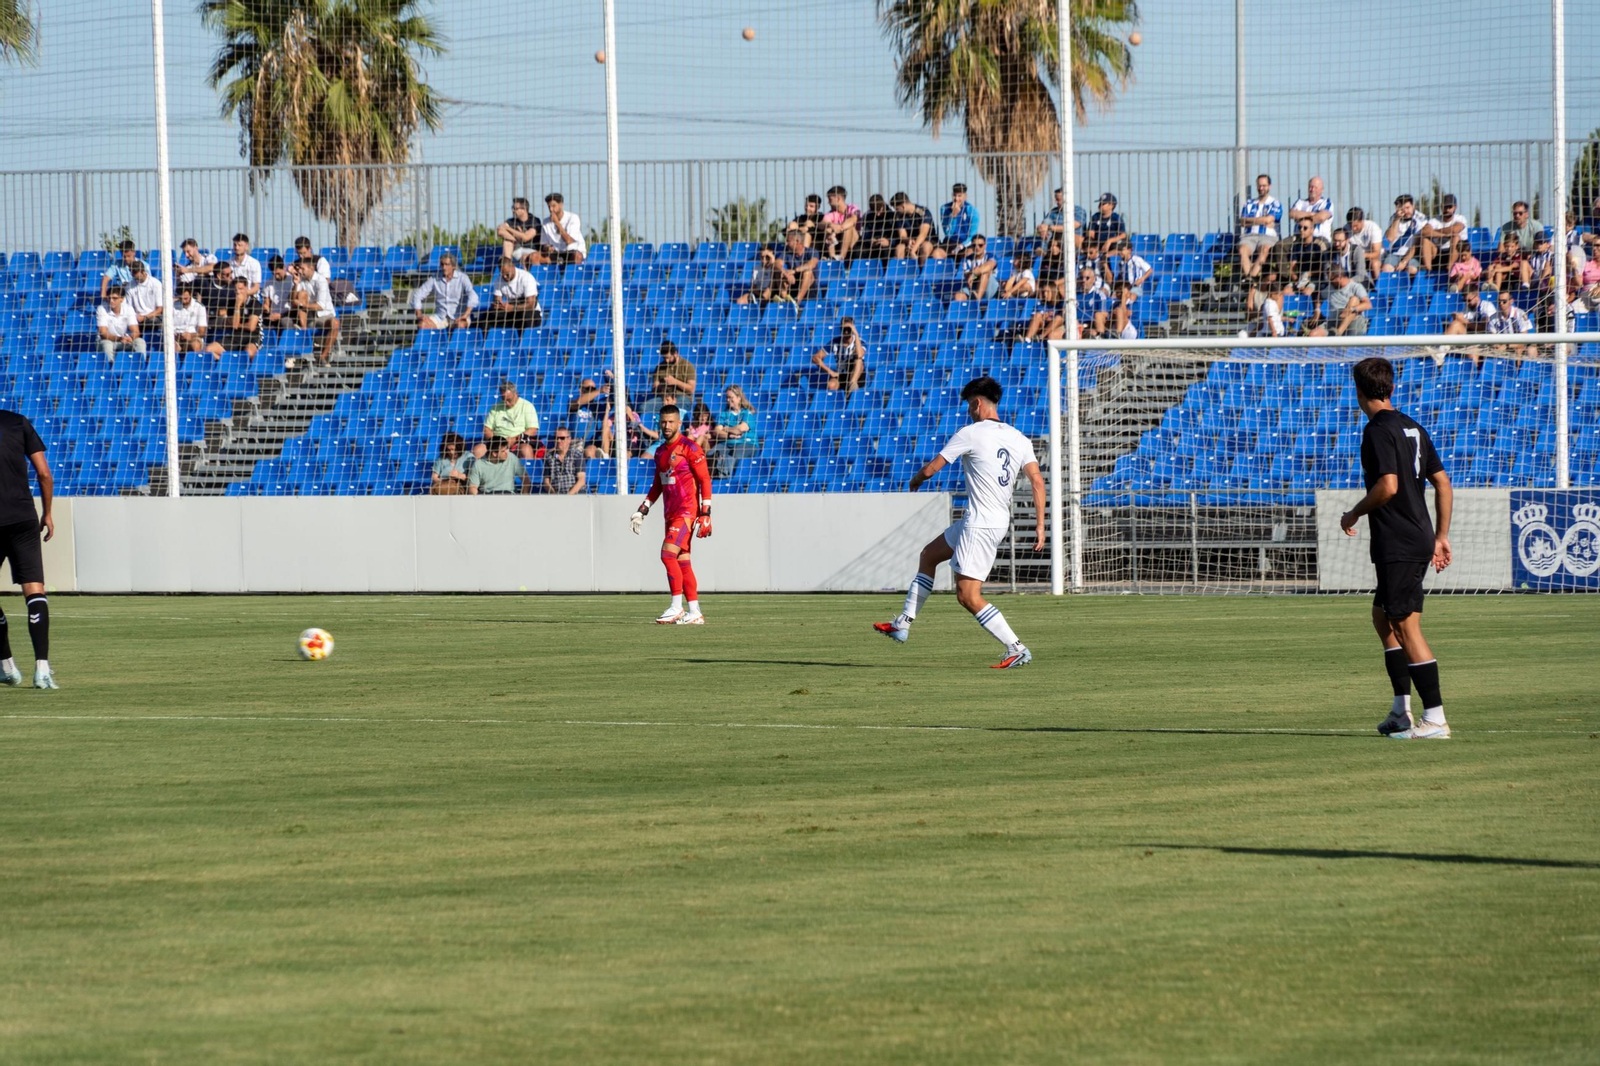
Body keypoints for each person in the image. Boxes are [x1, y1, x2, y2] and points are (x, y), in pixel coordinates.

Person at [874, 376, 1045, 669]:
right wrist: (1041, 525)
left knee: (967, 596)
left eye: (969, 405)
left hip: (980, 523)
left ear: (977, 403)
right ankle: (902, 623)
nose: (968, 410)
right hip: (988, 519)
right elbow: (1037, 481)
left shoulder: (971, 433)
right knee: (929, 555)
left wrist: (915, 479)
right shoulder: (1019, 438)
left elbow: (931, 469)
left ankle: (1015, 647)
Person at [1339, 356, 1453, 740]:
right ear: (1390, 388)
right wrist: (1440, 535)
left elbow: (1387, 486)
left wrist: (1353, 513)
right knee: (1382, 618)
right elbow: (1443, 483)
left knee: (1406, 625)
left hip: (1399, 540)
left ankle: (1434, 718)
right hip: (1416, 535)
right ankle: (1401, 710)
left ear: (1359, 392)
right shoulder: (1413, 426)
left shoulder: (1376, 430)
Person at [628, 404, 713, 625]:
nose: (666, 426)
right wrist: (643, 509)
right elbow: (658, 484)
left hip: (686, 512)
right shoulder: (660, 452)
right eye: (663, 422)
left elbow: (705, 480)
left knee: (667, 555)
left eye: (671, 422)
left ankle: (676, 607)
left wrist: (706, 513)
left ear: (679, 423)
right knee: (683, 561)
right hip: (670, 513)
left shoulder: (690, 448)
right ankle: (695, 612)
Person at [0, 407, 56, 688]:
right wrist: (47, 513)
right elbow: (44, 474)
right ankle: (42, 669)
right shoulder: (16, 421)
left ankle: (7, 666)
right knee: (35, 589)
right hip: (22, 517)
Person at [411, 252, 478, 330]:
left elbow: (473, 295)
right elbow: (417, 295)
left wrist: (465, 315)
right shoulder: (434, 278)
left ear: (453, 266)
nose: (444, 267)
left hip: (458, 316)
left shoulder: (463, 278)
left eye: (447, 264)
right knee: (422, 325)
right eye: (442, 264)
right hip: (440, 317)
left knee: (461, 325)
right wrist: (419, 315)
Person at [292, 256, 341, 362]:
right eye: (299, 268)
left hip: (324, 316)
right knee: (302, 294)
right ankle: (304, 331)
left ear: (311, 268)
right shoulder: (301, 281)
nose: (300, 271)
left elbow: (320, 306)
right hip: (309, 316)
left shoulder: (321, 280)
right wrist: (295, 285)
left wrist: (302, 305)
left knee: (335, 323)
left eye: (302, 268)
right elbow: (293, 300)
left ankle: (323, 356)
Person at [1237, 174, 1283, 283]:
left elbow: (1269, 220)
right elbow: (1242, 222)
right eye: (1259, 186)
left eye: (1264, 185)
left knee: (1265, 250)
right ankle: (1250, 279)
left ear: (1269, 186)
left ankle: (1250, 277)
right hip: (1249, 236)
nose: (1261, 188)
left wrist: (1251, 220)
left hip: (1268, 236)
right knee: (1242, 250)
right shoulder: (1249, 203)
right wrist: (1262, 220)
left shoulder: (1275, 203)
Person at [478, 380, 540, 460]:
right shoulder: (495, 408)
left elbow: (532, 430)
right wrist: (497, 442)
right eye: (504, 399)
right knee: (478, 450)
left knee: (526, 449)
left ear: (516, 394)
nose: (506, 403)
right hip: (497, 442)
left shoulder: (527, 406)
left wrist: (514, 439)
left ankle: (528, 471)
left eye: (509, 400)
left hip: (518, 443)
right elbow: (487, 429)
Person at [1306, 262, 1371, 337]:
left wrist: (1351, 309)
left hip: (1353, 321)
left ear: (1340, 277)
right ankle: (1335, 335)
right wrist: (1317, 309)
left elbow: (1368, 304)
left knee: (1354, 299)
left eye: (1332, 279)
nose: (1330, 281)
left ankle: (1338, 333)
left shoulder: (1355, 287)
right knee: (1313, 334)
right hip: (1333, 323)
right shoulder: (1330, 288)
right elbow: (1319, 296)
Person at [481, 256, 542, 332]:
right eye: (502, 274)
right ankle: (488, 341)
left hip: (531, 313)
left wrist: (512, 308)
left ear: (512, 267)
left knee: (524, 316)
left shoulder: (526, 277)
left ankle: (523, 341)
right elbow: (497, 299)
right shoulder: (498, 280)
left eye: (507, 274)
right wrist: (497, 305)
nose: (505, 277)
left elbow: (531, 304)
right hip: (511, 312)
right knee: (486, 317)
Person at [709, 385, 759, 477]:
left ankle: (726, 482)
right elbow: (716, 432)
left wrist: (726, 428)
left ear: (739, 398)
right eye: (727, 398)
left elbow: (740, 429)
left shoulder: (747, 413)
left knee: (733, 455)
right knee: (711, 454)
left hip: (746, 443)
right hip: (727, 442)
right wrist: (729, 435)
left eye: (731, 397)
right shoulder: (724, 414)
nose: (728, 400)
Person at [206, 275, 262, 357]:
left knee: (248, 353)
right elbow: (234, 325)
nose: (238, 292)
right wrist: (237, 306)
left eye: (241, 289)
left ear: (246, 288)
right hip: (235, 336)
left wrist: (237, 325)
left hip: (252, 337)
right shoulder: (232, 303)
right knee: (209, 350)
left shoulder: (254, 303)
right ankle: (227, 364)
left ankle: (243, 366)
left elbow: (251, 327)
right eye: (236, 289)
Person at [812, 316, 866, 392]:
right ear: (841, 329)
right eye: (844, 329)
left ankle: (852, 386)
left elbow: (860, 355)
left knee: (859, 361)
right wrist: (830, 372)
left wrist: (856, 334)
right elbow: (815, 358)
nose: (846, 332)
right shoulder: (835, 342)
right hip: (842, 374)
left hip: (857, 376)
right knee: (831, 385)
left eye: (849, 329)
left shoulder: (860, 342)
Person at [467, 436, 532, 495]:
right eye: (503, 451)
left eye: (507, 449)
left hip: (508, 495)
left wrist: (524, 496)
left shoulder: (512, 458)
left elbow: (526, 479)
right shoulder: (479, 464)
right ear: (494, 453)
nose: (507, 452)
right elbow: (473, 487)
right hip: (487, 495)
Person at [1419, 194, 1467, 273]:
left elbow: (1454, 230)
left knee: (1456, 237)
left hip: (1455, 252)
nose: (1447, 209)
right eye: (1445, 207)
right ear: (1441, 206)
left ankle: (1450, 267)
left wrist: (1434, 232)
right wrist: (1444, 235)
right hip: (1438, 252)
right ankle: (1428, 271)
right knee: (1425, 240)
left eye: (1450, 207)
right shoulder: (1435, 220)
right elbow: (1424, 231)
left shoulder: (1460, 218)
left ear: (1455, 207)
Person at [96, 286, 144, 363]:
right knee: (107, 344)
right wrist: (120, 338)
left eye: (114, 298)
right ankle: (110, 367)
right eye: (109, 298)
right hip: (107, 341)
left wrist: (130, 338)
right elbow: (103, 333)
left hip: (124, 340)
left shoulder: (129, 309)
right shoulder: (101, 309)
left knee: (140, 342)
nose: (111, 301)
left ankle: (140, 364)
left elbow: (136, 331)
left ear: (122, 299)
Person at [1382, 194, 1426, 276]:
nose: (1405, 211)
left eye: (1407, 208)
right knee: (1386, 269)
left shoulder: (1421, 219)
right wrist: (1397, 219)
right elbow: (1389, 238)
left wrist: (1404, 261)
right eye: (1402, 209)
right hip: (1395, 254)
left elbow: (1417, 245)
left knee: (1410, 269)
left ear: (1413, 206)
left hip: (1413, 254)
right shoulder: (1394, 218)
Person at [890, 191, 939, 262]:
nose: (896, 211)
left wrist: (913, 250)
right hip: (911, 242)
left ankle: (923, 271)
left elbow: (923, 234)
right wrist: (908, 240)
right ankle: (901, 271)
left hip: (928, 241)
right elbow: (902, 235)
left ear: (903, 206)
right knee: (899, 248)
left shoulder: (923, 212)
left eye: (897, 209)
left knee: (925, 246)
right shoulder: (898, 216)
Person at [537, 192, 586, 264]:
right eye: (549, 206)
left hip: (572, 251)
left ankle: (574, 275)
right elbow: (544, 244)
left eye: (553, 206)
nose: (551, 209)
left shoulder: (572, 218)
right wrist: (547, 248)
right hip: (555, 253)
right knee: (534, 256)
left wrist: (557, 223)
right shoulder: (546, 222)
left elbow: (569, 241)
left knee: (577, 256)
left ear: (561, 205)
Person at [648, 340, 697, 411]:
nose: (666, 361)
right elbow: (654, 390)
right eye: (664, 358)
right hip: (664, 398)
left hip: (682, 397)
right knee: (643, 408)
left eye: (668, 358)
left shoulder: (687, 366)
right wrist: (660, 386)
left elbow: (691, 389)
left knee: (673, 407)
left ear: (675, 353)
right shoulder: (659, 367)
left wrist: (675, 382)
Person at [541, 426, 588, 495]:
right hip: (557, 496)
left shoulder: (577, 455)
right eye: (556, 438)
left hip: (576, 495)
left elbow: (581, 480)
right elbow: (546, 482)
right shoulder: (549, 457)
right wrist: (555, 495)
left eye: (562, 438)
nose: (558, 440)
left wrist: (568, 496)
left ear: (569, 439)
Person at [497, 197, 543, 265]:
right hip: (516, 250)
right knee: (507, 241)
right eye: (512, 208)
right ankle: (508, 265)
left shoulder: (534, 220)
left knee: (525, 258)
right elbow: (500, 231)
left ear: (523, 209)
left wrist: (509, 229)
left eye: (515, 208)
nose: (513, 210)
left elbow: (526, 237)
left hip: (531, 251)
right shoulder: (511, 221)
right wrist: (518, 238)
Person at [952, 234, 997, 301]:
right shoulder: (967, 259)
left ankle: (977, 301)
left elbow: (989, 266)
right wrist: (973, 274)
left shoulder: (990, 256)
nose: (977, 248)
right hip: (973, 286)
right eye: (974, 245)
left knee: (985, 273)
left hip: (990, 287)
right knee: (958, 296)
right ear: (971, 246)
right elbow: (968, 277)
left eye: (980, 245)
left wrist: (973, 273)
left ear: (985, 246)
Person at [821, 185, 861, 261]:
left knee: (849, 228)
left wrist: (839, 229)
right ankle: (832, 257)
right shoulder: (832, 213)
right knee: (828, 229)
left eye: (830, 199)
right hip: (838, 240)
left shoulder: (852, 208)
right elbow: (822, 223)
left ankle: (841, 257)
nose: (828, 202)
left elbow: (853, 219)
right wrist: (831, 225)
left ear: (838, 198)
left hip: (855, 240)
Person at [854, 193, 899, 260]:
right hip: (872, 244)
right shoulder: (868, 216)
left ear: (883, 205)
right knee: (858, 250)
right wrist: (870, 240)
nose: (877, 214)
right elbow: (865, 234)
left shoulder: (893, 216)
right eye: (875, 211)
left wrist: (889, 241)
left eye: (879, 210)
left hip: (888, 244)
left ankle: (884, 270)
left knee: (884, 250)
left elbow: (898, 236)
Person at [1345, 207, 1385, 282]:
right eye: (1351, 225)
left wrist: (1362, 255)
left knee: (1374, 264)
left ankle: (1377, 288)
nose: (1353, 228)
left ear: (1362, 221)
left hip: (1373, 257)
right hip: (1355, 258)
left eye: (1356, 225)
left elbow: (1377, 253)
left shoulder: (1373, 228)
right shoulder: (1346, 229)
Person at [939, 183, 978, 256]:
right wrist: (953, 216)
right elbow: (948, 233)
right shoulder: (944, 209)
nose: (956, 199)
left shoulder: (972, 210)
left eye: (959, 196)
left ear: (965, 196)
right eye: (954, 195)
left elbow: (972, 235)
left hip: (965, 243)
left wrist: (962, 245)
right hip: (949, 242)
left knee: (970, 253)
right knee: (936, 254)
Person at [259, 255, 296, 331]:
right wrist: (266, 307)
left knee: (285, 322)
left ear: (284, 268)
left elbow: (295, 306)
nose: (276, 276)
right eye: (274, 274)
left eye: (278, 273)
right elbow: (266, 302)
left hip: (289, 314)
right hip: (273, 315)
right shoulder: (268, 283)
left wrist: (280, 315)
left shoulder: (292, 281)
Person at [169, 285, 208, 353]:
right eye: (181, 299)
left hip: (193, 337)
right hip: (175, 338)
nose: (183, 301)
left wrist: (190, 335)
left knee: (195, 345)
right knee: (171, 346)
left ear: (190, 295)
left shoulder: (199, 307)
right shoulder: (172, 306)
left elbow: (202, 332)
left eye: (186, 298)